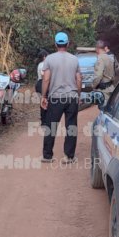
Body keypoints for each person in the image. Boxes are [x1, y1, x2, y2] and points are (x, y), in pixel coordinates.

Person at [40, 32, 81, 164]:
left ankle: (47, 156)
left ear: (55, 44)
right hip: (72, 97)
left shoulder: (50, 59)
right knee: (71, 126)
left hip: (56, 97)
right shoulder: (74, 59)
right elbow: (79, 78)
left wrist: (44, 96)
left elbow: (46, 79)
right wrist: (78, 95)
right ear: (68, 44)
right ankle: (69, 156)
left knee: (51, 126)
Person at [92, 39, 116, 104]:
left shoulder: (100, 59)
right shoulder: (110, 58)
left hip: (103, 91)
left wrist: (94, 86)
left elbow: (98, 76)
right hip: (111, 88)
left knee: (103, 110)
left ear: (97, 48)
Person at [36, 49, 49, 127]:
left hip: (40, 83)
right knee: (44, 101)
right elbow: (44, 76)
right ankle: (44, 120)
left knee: (43, 101)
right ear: (44, 57)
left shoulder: (40, 64)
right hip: (42, 83)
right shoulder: (43, 65)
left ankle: (44, 120)